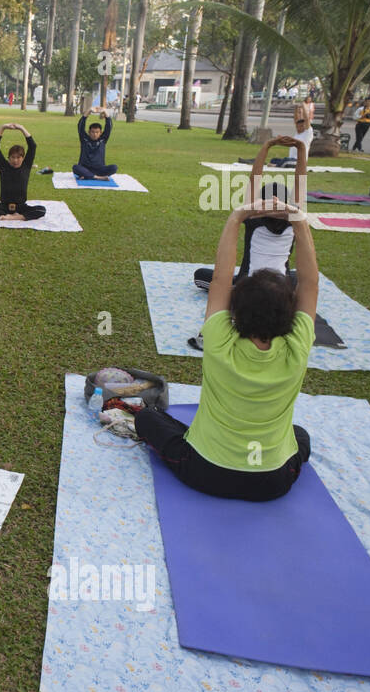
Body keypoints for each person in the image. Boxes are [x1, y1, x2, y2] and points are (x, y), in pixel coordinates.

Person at [135, 135, 318, 503]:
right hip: (272, 483)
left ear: (234, 309)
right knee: (300, 437)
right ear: (290, 314)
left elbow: (220, 280)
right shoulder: (298, 345)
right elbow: (310, 283)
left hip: (206, 472)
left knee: (147, 418)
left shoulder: (218, 337)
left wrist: (236, 216)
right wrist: (299, 220)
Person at [194, 137, 305, 290]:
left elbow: (254, 180)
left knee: (200, 274)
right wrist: (301, 148)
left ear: (261, 202)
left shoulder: (253, 216)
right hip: (282, 288)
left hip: (246, 286)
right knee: (299, 276)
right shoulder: (295, 220)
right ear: (286, 204)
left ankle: (233, 291)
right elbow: (300, 182)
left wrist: (267, 145)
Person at [0, 123, 44, 220]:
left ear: (23, 158)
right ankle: (11, 216)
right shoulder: (4, 166)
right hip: (4, 206)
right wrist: (3, 128)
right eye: (13, 157)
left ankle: (16, 217)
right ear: (9, 158)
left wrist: (22, 128)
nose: (15, 160)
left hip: (21, 207)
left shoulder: (26, 166)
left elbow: (32, 146)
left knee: (41, 210)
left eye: (18, 157)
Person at [72, 107, 117, 180]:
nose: (95, 134)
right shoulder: (84, 139)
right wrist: (89, 110)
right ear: (89, 132)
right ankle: (97, 177)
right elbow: (80, 125)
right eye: (92, 132)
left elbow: (109, 127)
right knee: (75, 167)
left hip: (99, 169)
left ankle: (88, 176)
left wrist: (105, 111)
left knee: (114, 167)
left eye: (97, 132)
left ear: (100, 133)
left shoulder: (103, 140)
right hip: (85, 168)